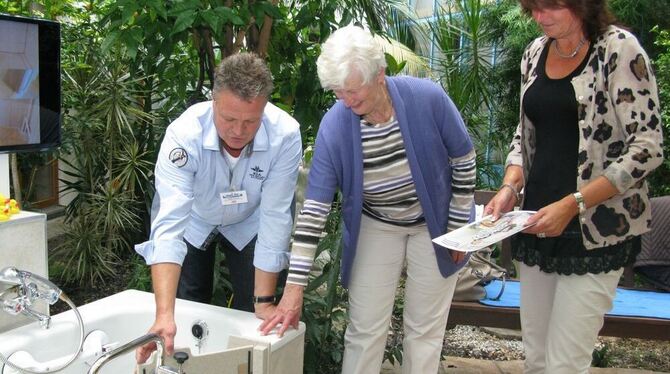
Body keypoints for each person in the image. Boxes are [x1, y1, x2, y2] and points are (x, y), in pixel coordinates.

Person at [260, 25, 476, 374]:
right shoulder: (335, 125)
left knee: (424, 331)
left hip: (434, 224)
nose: (346, 101)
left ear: (380, 74)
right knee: (364, 329)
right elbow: (314, 211)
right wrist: (294, 288)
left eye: (353, 92)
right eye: (338, 92)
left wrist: (457, 226)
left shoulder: (428, 99)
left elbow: (463, 158)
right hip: (377, 223)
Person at [484, 1, 664, 373]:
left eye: (550, 7)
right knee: (536, 360)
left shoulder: (619, 49)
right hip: (536, 224)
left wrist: (574, 203)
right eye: (533, 8)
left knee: (565, 364)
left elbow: (647, 149)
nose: (539, 17)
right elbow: (525, 134)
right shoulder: (534, 52)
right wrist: (509, 185)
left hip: (594, 230)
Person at [134, 53, 302, 363]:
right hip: (195, 219)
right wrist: (163, 314)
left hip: (250, 221)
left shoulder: (286, 135)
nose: (238, 130)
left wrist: (264, 302)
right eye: (229, 119)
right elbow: (169, 222)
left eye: (250, 121)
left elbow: (276, 215)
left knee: (256, 315)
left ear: (265, 109)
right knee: (185, 307)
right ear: (213, 101)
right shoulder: (183, 135)